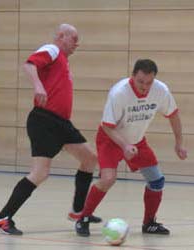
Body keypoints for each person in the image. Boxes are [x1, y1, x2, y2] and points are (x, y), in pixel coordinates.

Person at [0, 24, 102, 235]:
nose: (77, 44)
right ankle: (3, 218)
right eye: (74, 38)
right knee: (40, 173)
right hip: (44, 120)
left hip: (60, 123)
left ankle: (77, 211)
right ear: (61, 36)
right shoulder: (52, 50)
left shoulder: (63, 61)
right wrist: (38, 85)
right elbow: (29, 65)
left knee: (89, 159)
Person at [75, 59, 187, 237]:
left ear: (154, 79)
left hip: (136, 140)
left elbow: (173, 115)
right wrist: (124, 145)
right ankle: (84, 218)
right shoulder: (119, 93)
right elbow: (107, 126)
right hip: (110, 138)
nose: (144, 86)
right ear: (133, 76)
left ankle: (149, 223)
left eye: (149, 82)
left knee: (156, 181)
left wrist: (179, 143)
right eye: (140, 81)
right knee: (108, 179)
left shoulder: (161, 91)